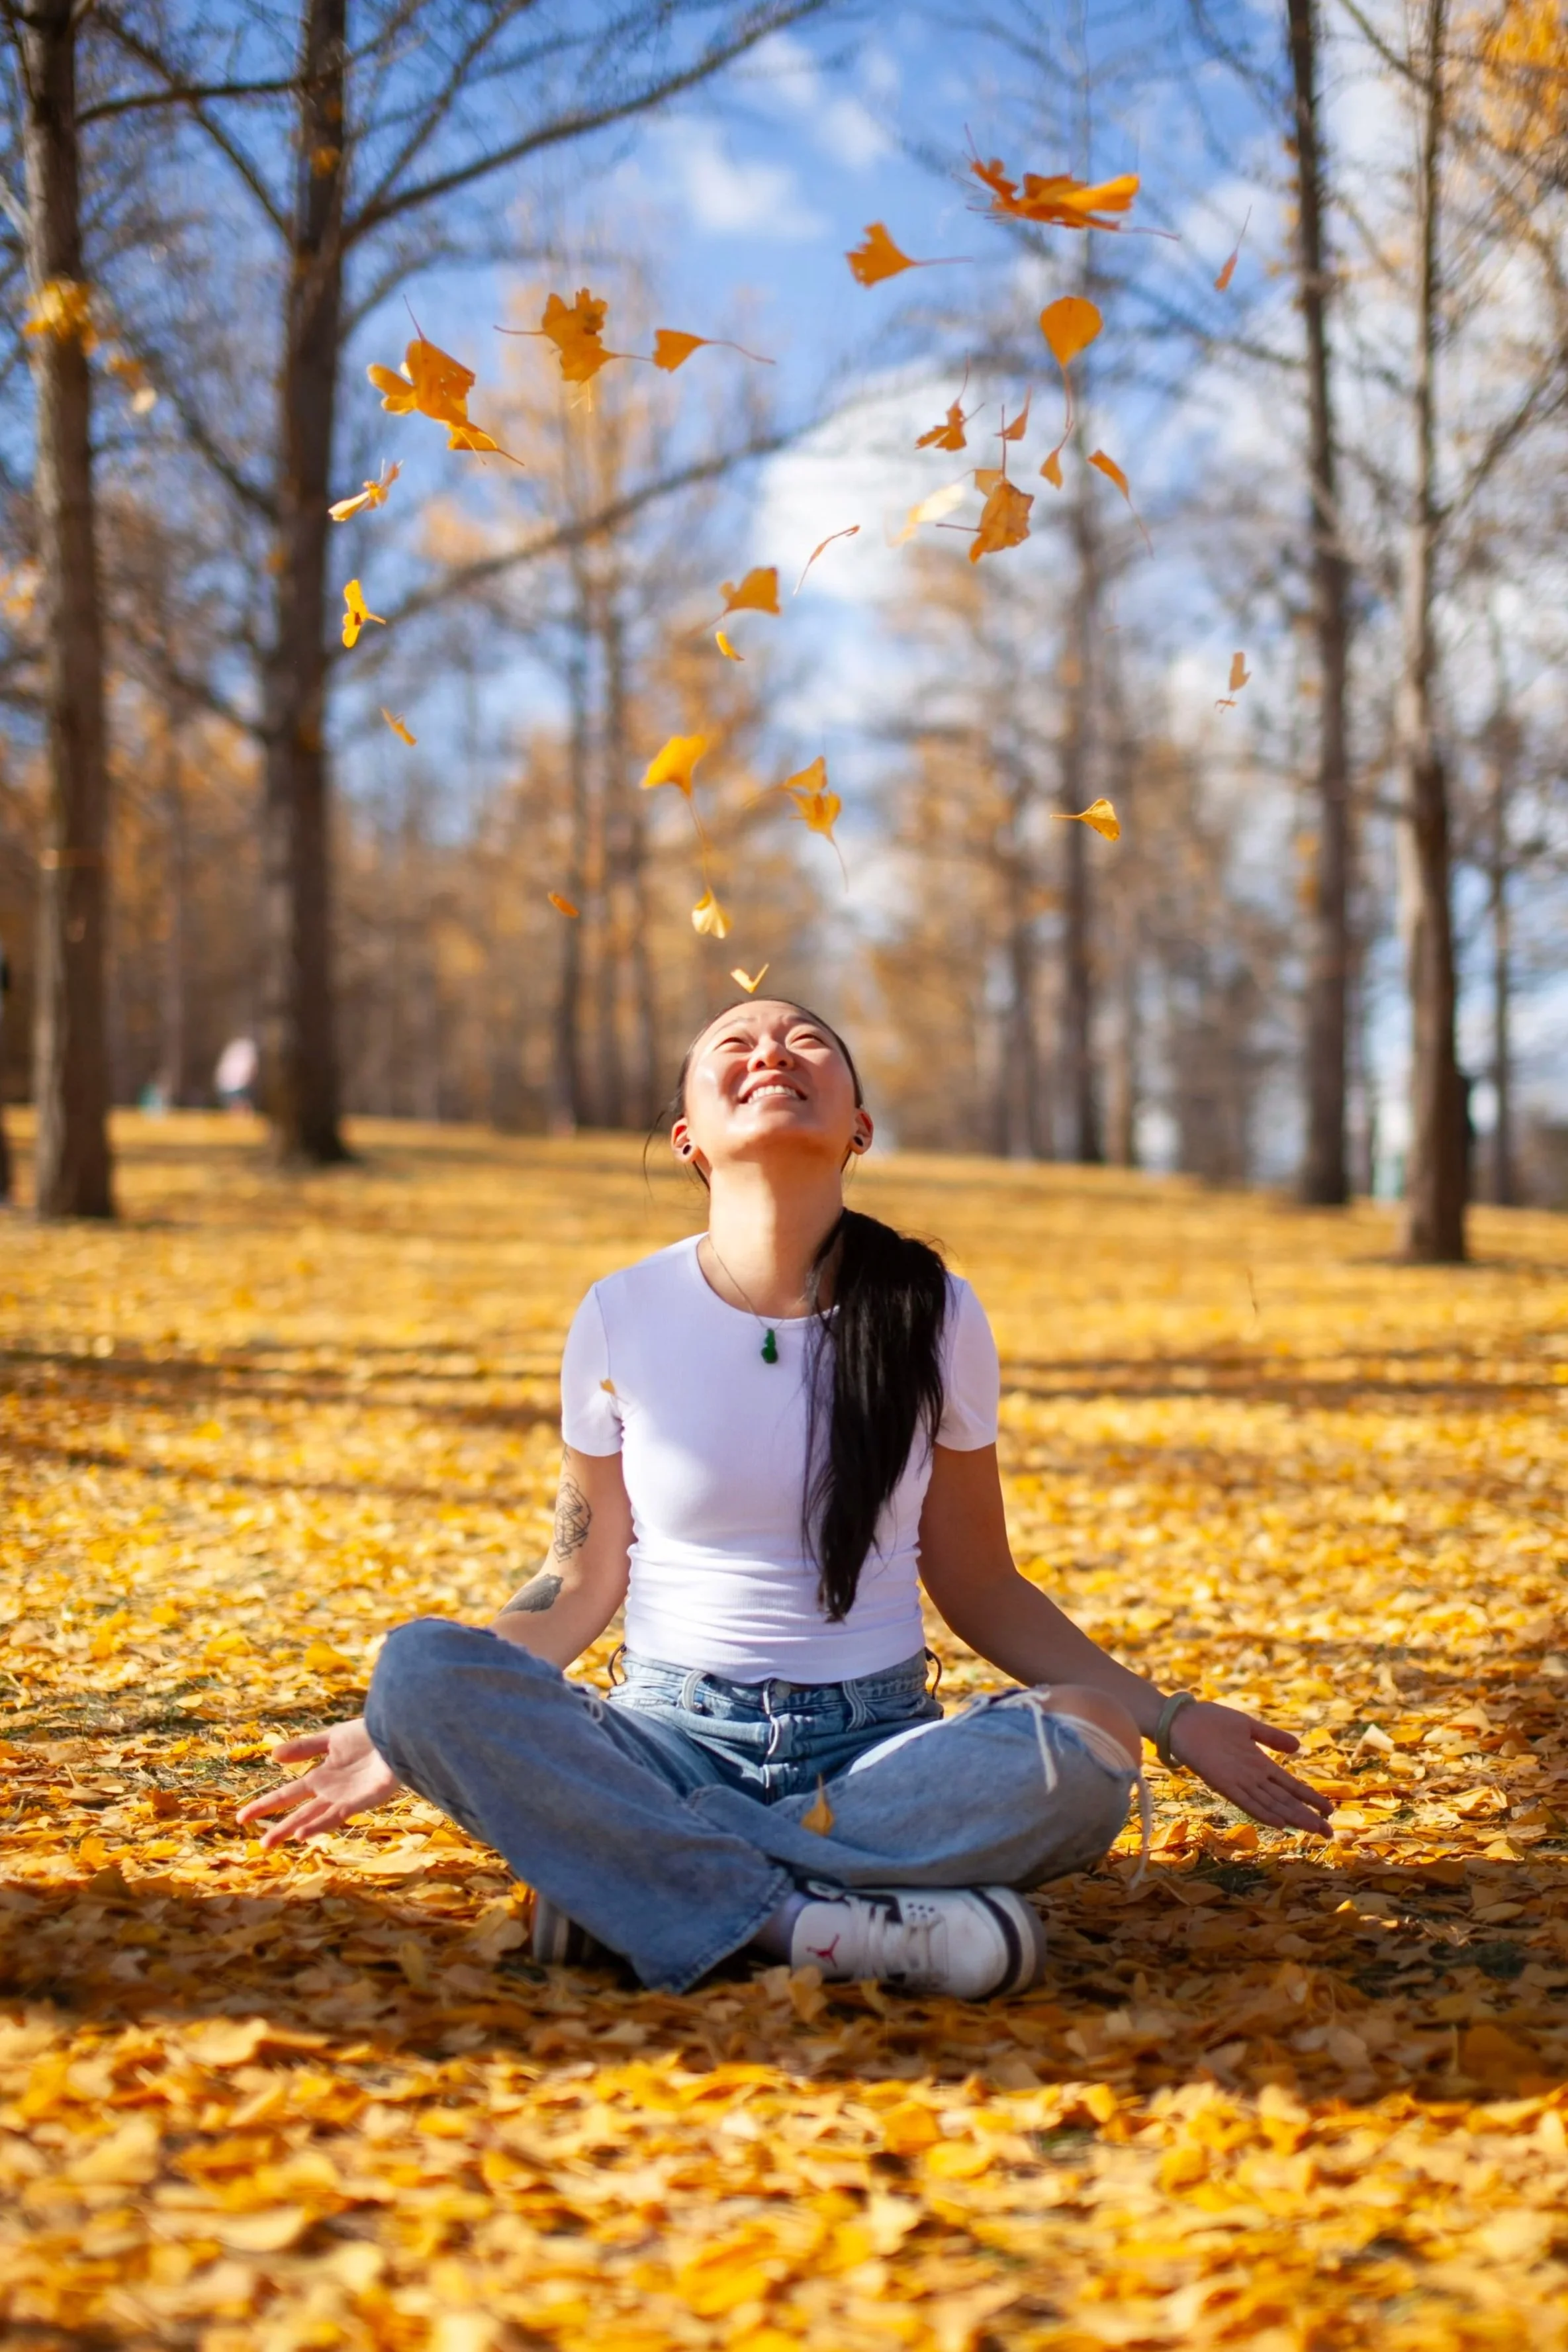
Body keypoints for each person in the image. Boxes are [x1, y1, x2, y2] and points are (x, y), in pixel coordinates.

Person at [239, 999, 1330, 1999]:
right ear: (687, 1140)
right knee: (420, 1669)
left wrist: (1173, 1722)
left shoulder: (936, 1313)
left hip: (875, 1757)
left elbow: (980, 1582)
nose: (771, 1052)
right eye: (736, 1045)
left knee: (1088, 1745)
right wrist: (412, 1730)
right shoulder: (620, 1313)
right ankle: (812, 1923)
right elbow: (580, 1576)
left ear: (858, 1125)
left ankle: (641, 1889)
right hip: (664, 1734)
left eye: (808, 1043)